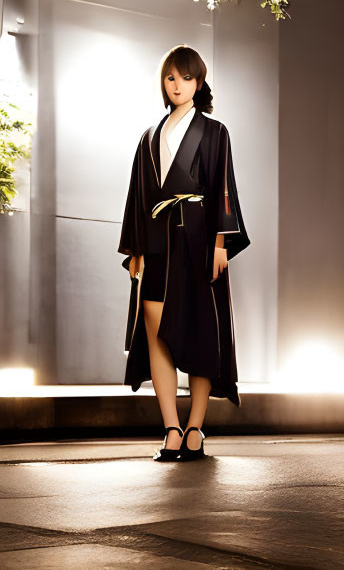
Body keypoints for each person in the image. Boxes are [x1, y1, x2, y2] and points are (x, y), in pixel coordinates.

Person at [118, 44, 249, 462]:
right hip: (156, 243)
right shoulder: (149, 136)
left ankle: (196, 426)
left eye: (186, 78)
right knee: (156, 332)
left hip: (197, 242)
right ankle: (170, 427)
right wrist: (136, 248)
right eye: (171, 78)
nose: (177, 85)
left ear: (199, 82)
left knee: (199, 332)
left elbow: (223, 187)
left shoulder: (214, 132)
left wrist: (219, 243)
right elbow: (138, 196)